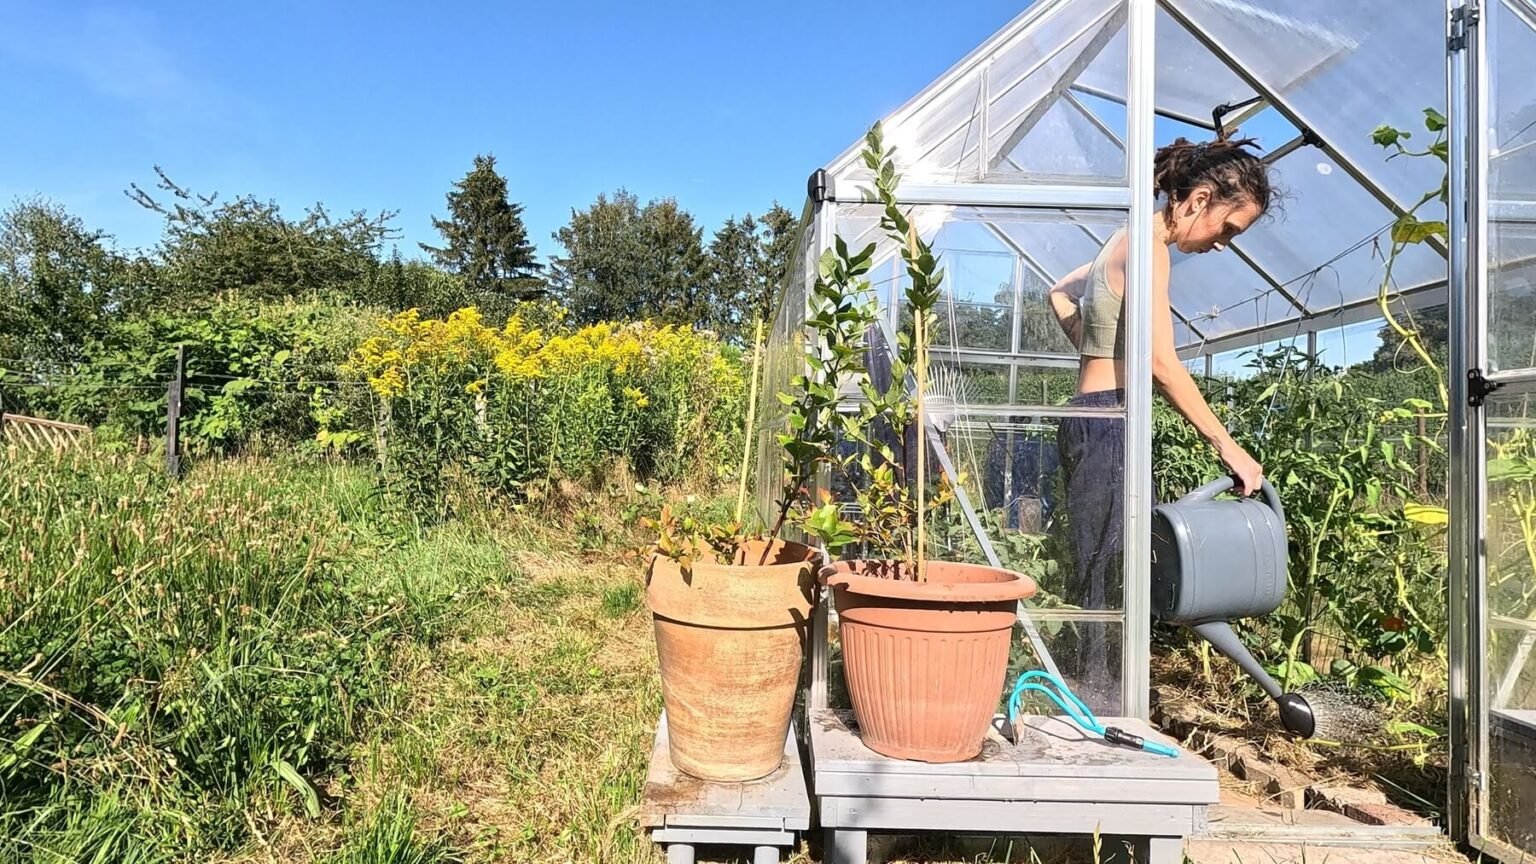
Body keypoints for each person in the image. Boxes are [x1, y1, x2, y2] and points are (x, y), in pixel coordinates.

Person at [1045, 134, 1274, 711]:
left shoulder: (1120, 239)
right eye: (1229, 228)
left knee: (1098, 564)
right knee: (1112, 573)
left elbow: (1059, 293)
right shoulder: (1150, 248)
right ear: (1199, 199)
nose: (1224, 244)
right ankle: (1101, 706)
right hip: (1110, 424)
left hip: (1090, 417)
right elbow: (1161, 364)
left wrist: (1096, 351)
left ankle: (1092, 696)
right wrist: (1230, 449)